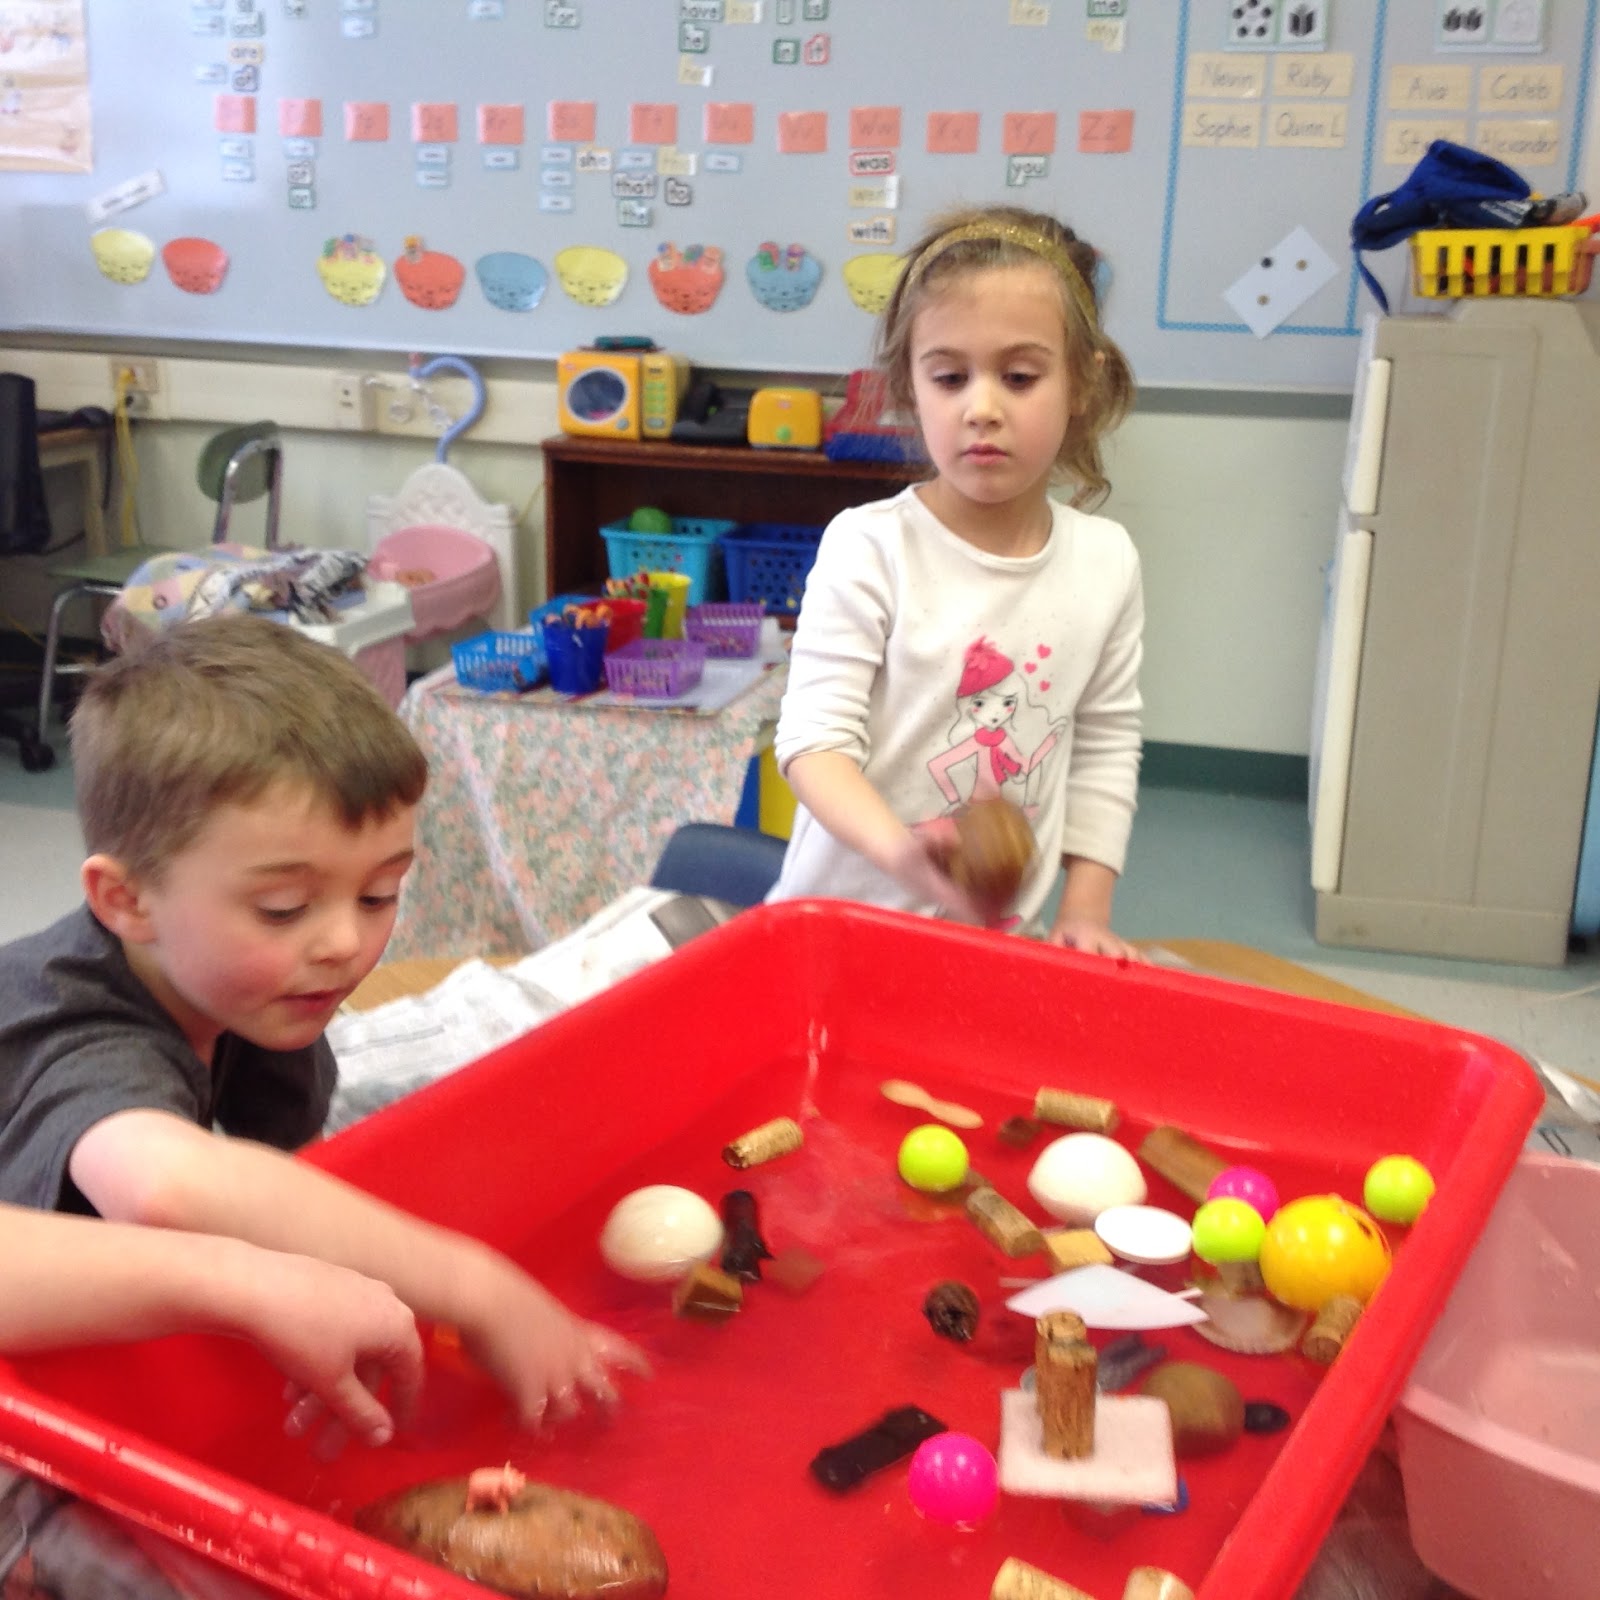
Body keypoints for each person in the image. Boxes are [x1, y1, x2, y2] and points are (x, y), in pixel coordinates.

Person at [0, 614, 648, 1447]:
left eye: (379, 894)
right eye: (284, 907)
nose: (344, 943)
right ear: (126, 902)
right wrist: (475, 1286)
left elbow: (294, 1171)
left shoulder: (251, 987)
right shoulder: (77, 1025)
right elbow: (168, 1186)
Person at [768, 202, 1144, 957]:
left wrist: (1087, 908)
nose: (982, 408)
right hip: (841, 931)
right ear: (910, 387)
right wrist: (905, 855)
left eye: (1020, 376)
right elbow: (813, 745)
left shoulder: (1107, 561)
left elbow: (1106, 743)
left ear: (1083, 381)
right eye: (949, 377)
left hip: (997, 943)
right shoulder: (869, 547)